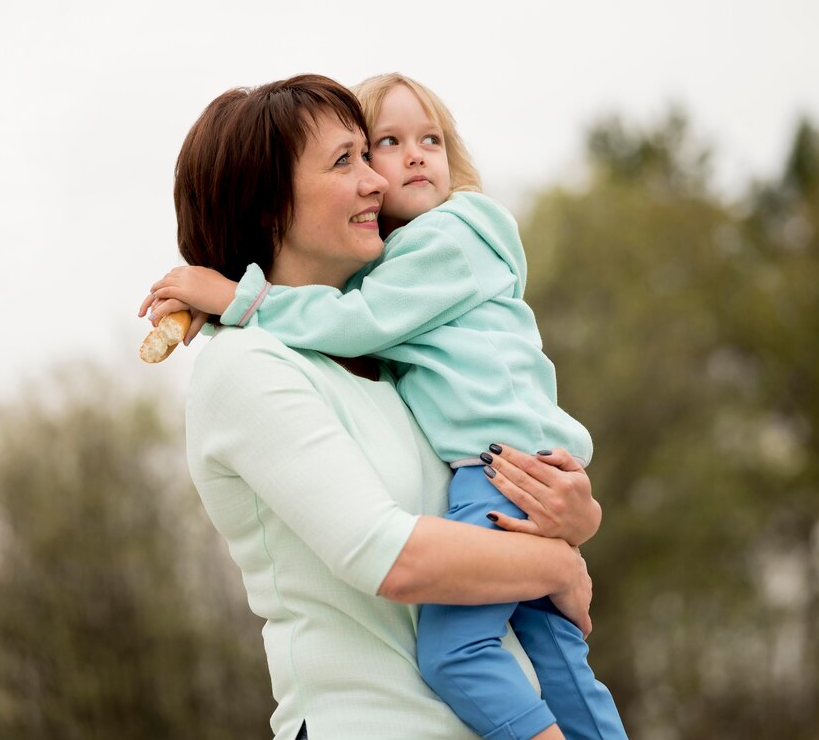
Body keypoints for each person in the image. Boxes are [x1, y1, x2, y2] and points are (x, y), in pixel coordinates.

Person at [144, 74, 627, 740]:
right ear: (267, 207)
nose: (377, 180)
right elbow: (387, 553)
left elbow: (483, 501)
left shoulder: (397, 364)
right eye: (348, 160)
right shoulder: (247, 367)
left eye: (369, 156)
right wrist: (558, 565)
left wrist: (576, 514)